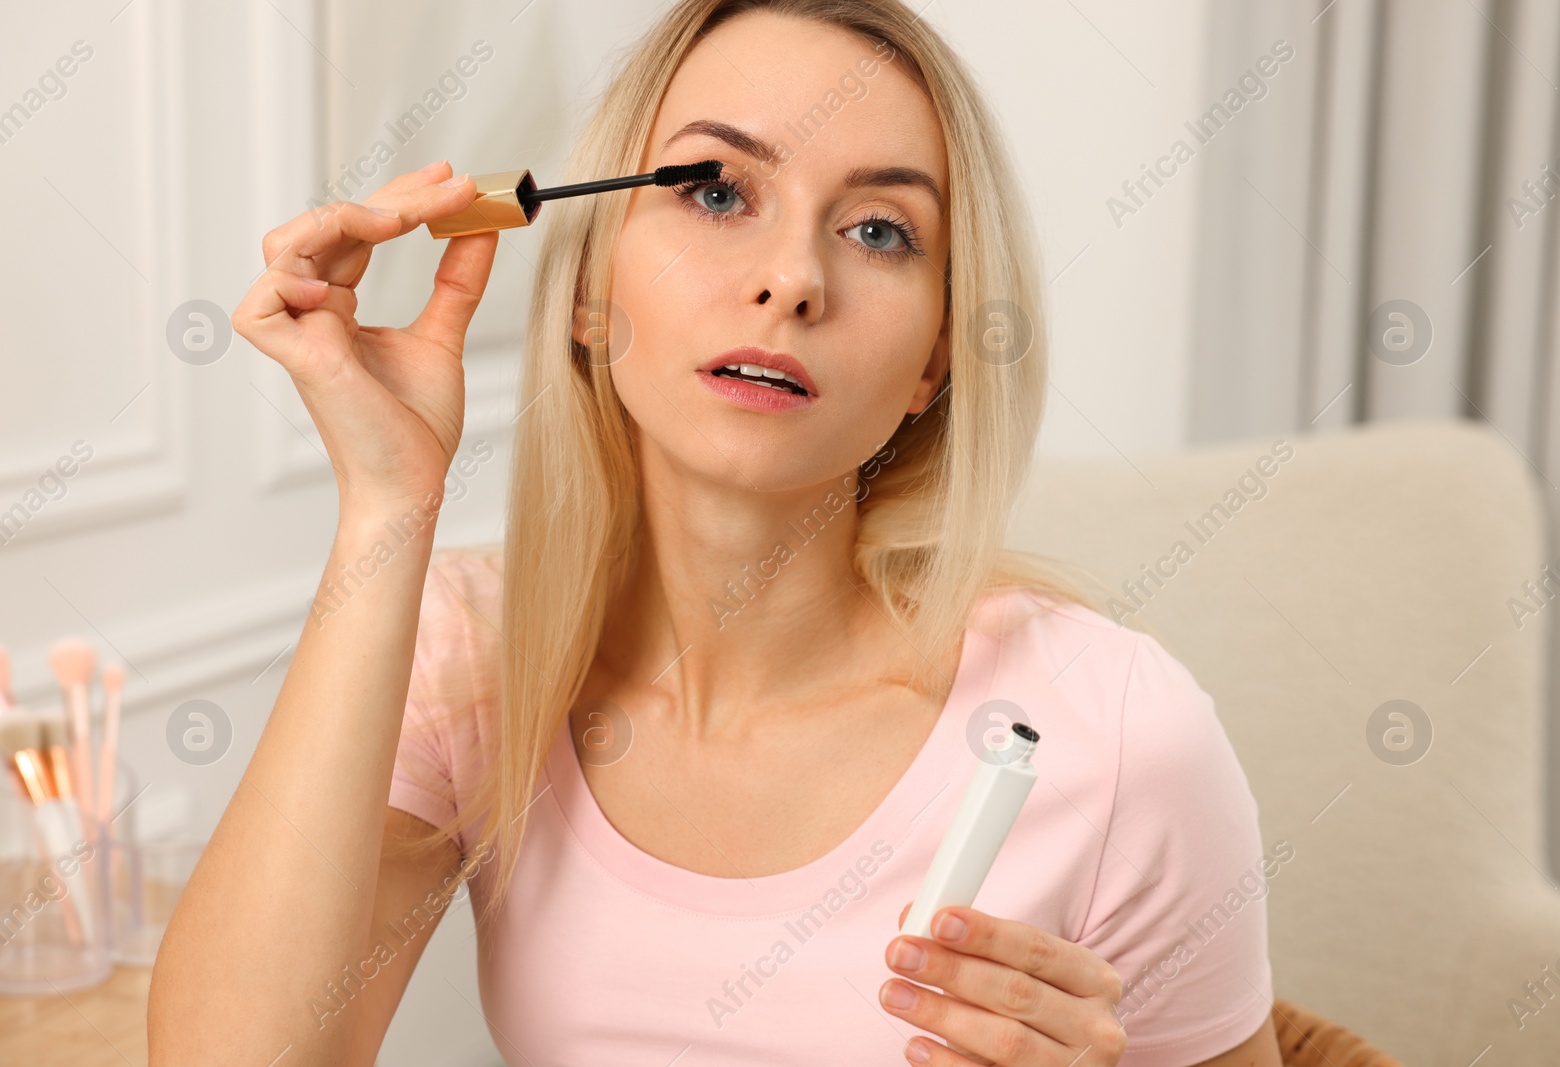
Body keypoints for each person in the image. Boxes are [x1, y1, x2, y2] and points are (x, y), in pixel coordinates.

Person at [150, 2, 1282, 1064]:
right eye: (715, 190)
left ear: (934, 360)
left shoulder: (1123, 735)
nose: (792, 280)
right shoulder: (472, 656)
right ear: (590, 292)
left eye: (880, 229)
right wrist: (386, 504)